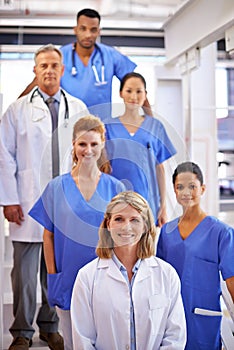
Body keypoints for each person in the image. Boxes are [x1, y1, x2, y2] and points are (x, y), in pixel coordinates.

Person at [0, 44, 87, 350]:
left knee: (55, 269)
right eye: (43, 66)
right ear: (35, 71)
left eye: (54, 65)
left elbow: (86, 156)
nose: (49, 70)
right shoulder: (17, 110)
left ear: (62, 70)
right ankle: (22, 332)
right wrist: (9, 199)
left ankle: (50, 327)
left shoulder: (78, 108)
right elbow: (4, 156)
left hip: (64, 203)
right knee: (24, 275)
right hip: (26, 201)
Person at [29, 115, 125, 350]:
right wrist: (53, 276)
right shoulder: (56, 187)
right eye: (82, 144)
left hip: (107, 279)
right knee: (73, 343)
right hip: (67, 278)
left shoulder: (115, 188)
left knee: (107, 341)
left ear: (103, 143)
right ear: (73, 144)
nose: (88, 150)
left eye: (94, 144)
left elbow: (124, 239)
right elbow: (48, 236)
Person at [71, 191, 187, 349]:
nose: (126, 227)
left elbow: (175, 336)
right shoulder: (87, 277)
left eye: (135, 220)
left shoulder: (167, 274)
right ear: (108, 224)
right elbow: (83, 341)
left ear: (145, 226)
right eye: (119, 219)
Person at [18, 8, 152, 117]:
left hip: (101, 127)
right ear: (75, 29)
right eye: (83, 29)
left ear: (99, 31)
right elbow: (38, 82)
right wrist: (13, 111)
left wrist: (152, 123)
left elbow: (137, 86)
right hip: (68, 125)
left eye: (93, 30)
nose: (88, 35)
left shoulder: (111, 55)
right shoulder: (61, 55)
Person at [156, 161, 234, 350]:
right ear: (174, 191)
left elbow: (231, 281)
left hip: (203, 320)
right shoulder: (167, 232)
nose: (185, 192)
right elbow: (158, 279)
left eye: (192, 186)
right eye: (180, 187)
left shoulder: (221, 233)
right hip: (170, 320)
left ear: (202, 188)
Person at [105, 72, 176, 227]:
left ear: (145, 95)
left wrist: (163, 207)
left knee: (144, 249)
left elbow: (159, 168)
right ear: (120, 93)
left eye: (139, 91)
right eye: (129, 91)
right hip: (116, 202)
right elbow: (103, 169)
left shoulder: (155, 126)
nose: (134, 96)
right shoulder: (108, 127)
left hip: (148, 202)